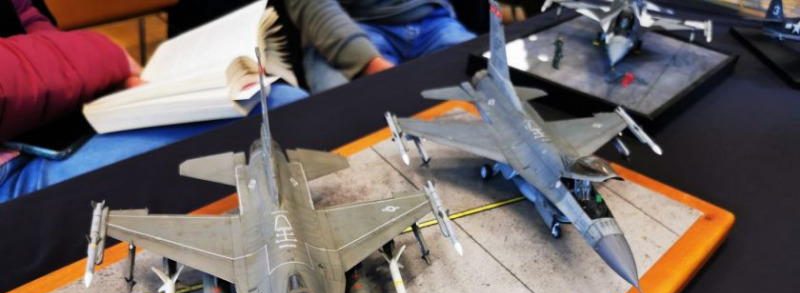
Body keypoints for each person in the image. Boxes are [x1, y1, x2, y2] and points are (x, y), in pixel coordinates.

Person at [0, 0, 307, 203]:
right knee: (283, 118)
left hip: (56, 119)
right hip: (14, 168)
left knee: (279, 104)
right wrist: (102, 57)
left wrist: (69, 67)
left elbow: (25, 16)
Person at [285, 0, 475, 93]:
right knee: (349, 116)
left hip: (431, 18)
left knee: (485, 81)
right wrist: (368, 63)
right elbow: (313, 5)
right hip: (345, 27)